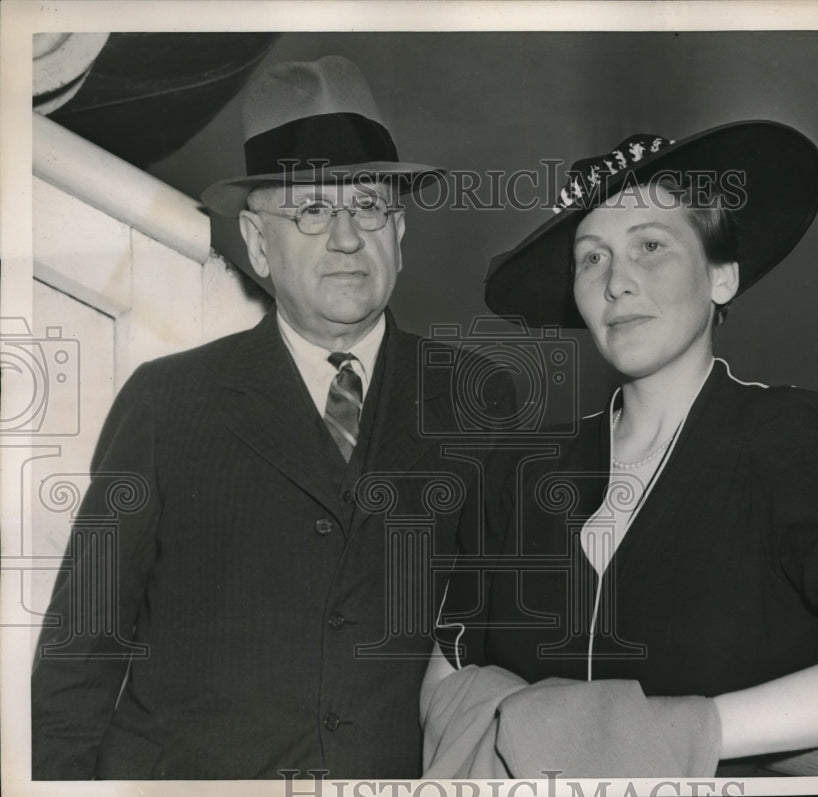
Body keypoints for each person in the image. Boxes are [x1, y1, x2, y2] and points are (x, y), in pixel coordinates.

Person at [421, 122, 818, 778]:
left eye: (650, 245)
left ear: (721, 277)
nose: (616, 282)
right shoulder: (519, 469)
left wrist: (671, 733)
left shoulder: (792, 436)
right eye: (591, 257)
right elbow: (447, 680)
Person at [32, 55, 513, 780]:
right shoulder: (166, 403)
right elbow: (77, 665)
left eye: (369, 205)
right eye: (313, 209)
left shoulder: (477, 400)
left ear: (401, 233)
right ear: (259, 243)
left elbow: (503, 637)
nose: (347, 237)